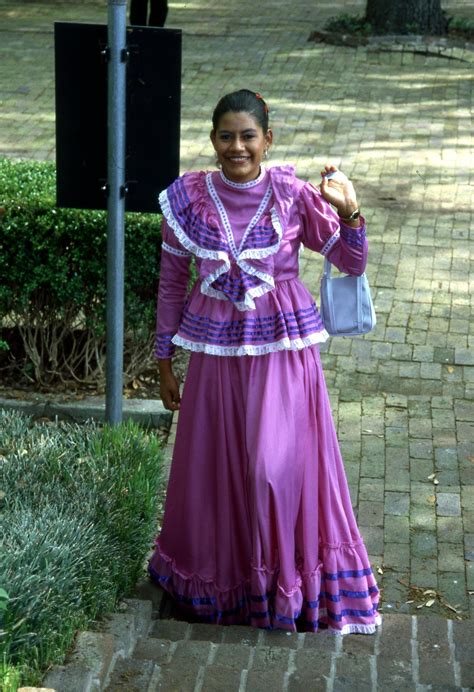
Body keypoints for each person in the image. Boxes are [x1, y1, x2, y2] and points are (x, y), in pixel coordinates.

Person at [148, 89, 381, 634]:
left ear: (267, 140)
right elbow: (170, 283)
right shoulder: (188, 199)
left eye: (248, 136)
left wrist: (351, 213)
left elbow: (350, 260)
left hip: (281, 354)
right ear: (212, 140)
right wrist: (164, 361)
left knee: (272, 471)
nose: (237, 146)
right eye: (226, 136)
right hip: (213, 357)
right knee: (214, 473)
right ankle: (229, 591)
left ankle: (286, 585)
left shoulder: (294, 195)